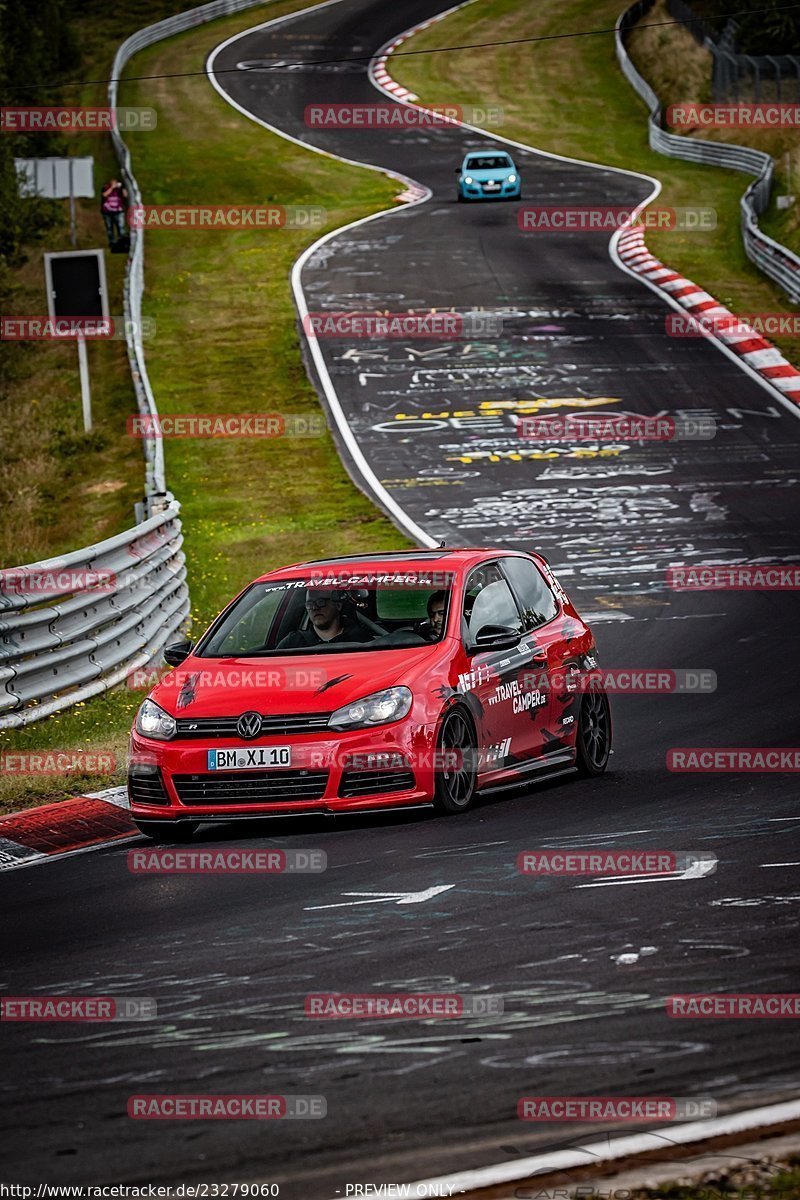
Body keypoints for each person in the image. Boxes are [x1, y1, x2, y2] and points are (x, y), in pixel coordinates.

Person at [277, 589, 374, 649]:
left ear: (338, 605)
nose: (315, 608)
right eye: (309, 604)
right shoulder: (292, 642)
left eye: (321, 602)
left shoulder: (362, 640)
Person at [100, 178, 128, 246]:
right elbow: (104, 195)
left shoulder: (119, 189)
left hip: (118, 211)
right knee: (109, 228)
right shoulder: (106, 188)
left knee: (121, 227)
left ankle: (122, 242)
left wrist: (123, 187)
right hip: (107, 212)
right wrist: (111, 188)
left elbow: (125, 195)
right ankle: (112, 242)